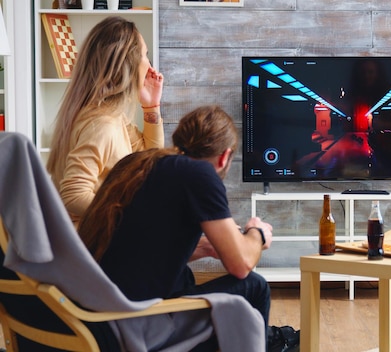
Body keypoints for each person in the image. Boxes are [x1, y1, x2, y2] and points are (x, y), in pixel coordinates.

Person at [77, 105, 300, 352]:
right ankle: (270, 343)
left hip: (96, 312)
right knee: (255, 285)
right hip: (135, 321)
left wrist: (204, 247)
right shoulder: (200, 173)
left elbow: (141, 249)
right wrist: (256, 233)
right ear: (225, 157)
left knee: (186, 278)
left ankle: (268, 339)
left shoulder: (135, 163)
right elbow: (241, 264)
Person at [46, 16, 165, 226]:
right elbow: (73, 195)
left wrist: (151, 107)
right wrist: (127, 215)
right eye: (145, 55)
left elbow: (150, 159)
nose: (149, 64)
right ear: (128, 64)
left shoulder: (110, 115)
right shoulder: (102, 125)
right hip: (91, 244)